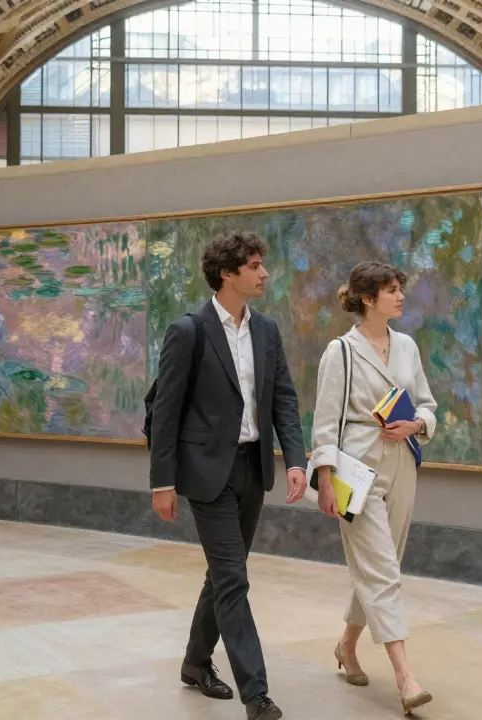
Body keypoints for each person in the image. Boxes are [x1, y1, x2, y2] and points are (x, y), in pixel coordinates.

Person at [148, 231, 309, 720]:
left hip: (252, 467)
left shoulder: (266, 330)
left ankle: (196, 663)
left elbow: (282, 396)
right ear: (228, 273)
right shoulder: (188, 330)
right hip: (205, 473)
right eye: (255, 265)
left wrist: (296, 460)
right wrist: (163, 481)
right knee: (233, 579)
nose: (264, 273)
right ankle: (256, 694)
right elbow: (167, 411)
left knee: (221, 575)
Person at [309, 261, 437, 715]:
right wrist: (324, 481)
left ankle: (346, 644)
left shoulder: (406, 346)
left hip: (403, 462)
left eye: (401, 288)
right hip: (355, 470)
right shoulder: (340, 352)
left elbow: (427, 402)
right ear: (368, 298)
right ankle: (405, 677)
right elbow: (324, 424)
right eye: (391, 290)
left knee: (383, 565)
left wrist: (418, 423)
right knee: (382, 570)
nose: (400, 296)